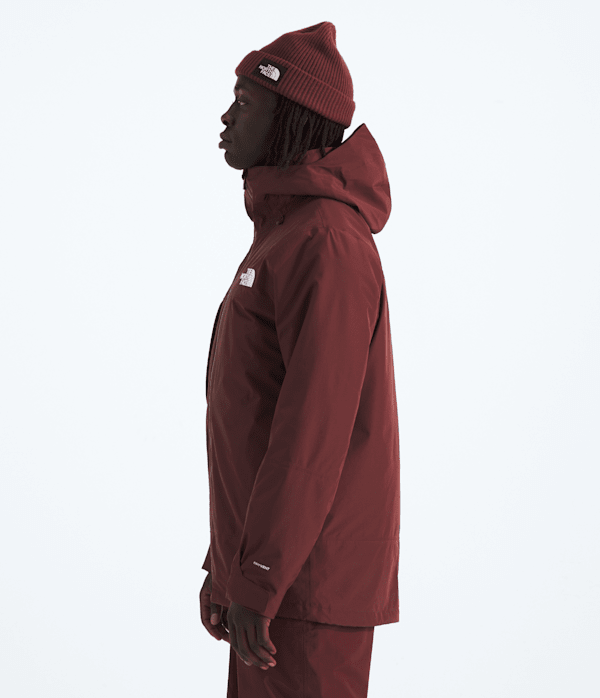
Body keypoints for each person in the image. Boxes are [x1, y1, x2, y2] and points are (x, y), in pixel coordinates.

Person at [199, 21, 400, 698]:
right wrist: (228, 566)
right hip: (274, 584)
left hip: (305, 589)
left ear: (288, 116)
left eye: (245, 102)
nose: (226, 118)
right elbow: (253, 419)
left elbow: (313, 431)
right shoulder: (285, 236)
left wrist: (259, 573)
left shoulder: (326, 242)